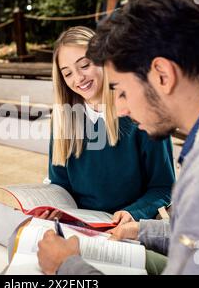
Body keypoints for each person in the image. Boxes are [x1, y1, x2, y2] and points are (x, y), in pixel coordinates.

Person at [37, 0, 199, 275]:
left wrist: (67, 267)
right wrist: (145, 231)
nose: (121, 109)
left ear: (162, 75)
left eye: (121, 91)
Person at [42, 26, 175, 223]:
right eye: (67, 73)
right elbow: (60, 186)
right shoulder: (63, 119)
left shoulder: (142, 112)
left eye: (85, 65)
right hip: (81, 227)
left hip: (131, 228)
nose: (78, 78)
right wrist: (53, 209)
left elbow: (164, 187)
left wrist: (133, 213)